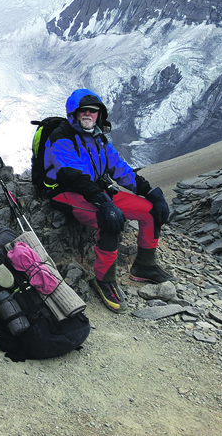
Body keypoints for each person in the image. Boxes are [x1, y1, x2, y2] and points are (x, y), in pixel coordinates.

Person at [42, 88, 174, 313]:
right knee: (110, 219)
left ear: (99, 115)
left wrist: (148, 191)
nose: (88, 114)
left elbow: (120, 168)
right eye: (83, 110)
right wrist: (105, 204)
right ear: (73, 113)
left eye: (93, 111)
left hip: (95, 191)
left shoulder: (98, 138)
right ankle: (104, 280)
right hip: (66, 192)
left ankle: (144, 266)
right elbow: (74, 176)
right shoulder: (61, 138)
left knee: (152, 210)